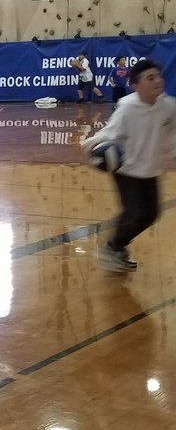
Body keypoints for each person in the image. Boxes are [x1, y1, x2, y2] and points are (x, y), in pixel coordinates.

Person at [83, 59, 176, 272]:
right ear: (135, 85)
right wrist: (91, 145)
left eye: (159, 76)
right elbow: (109, 133)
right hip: (126, 169)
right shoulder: (127, 107)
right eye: (150, 78)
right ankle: (112, 248)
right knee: (134, 213)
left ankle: (117, 246)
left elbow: (172, 137)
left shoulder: (169, 107)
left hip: (150, 169)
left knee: (151, 214)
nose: (157, 81)